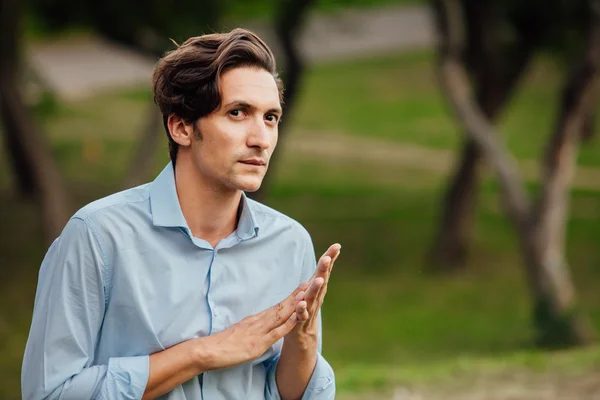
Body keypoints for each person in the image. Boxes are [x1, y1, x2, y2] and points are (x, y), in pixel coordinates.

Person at [21, 28, 341, 400]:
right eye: (238, 113)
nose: (261, 138)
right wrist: (200, 353)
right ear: (181, 127)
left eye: (271, 118)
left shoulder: (290, 243)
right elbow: (50, 393)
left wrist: (303, 342)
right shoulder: (97, 236)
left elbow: (288, 391)